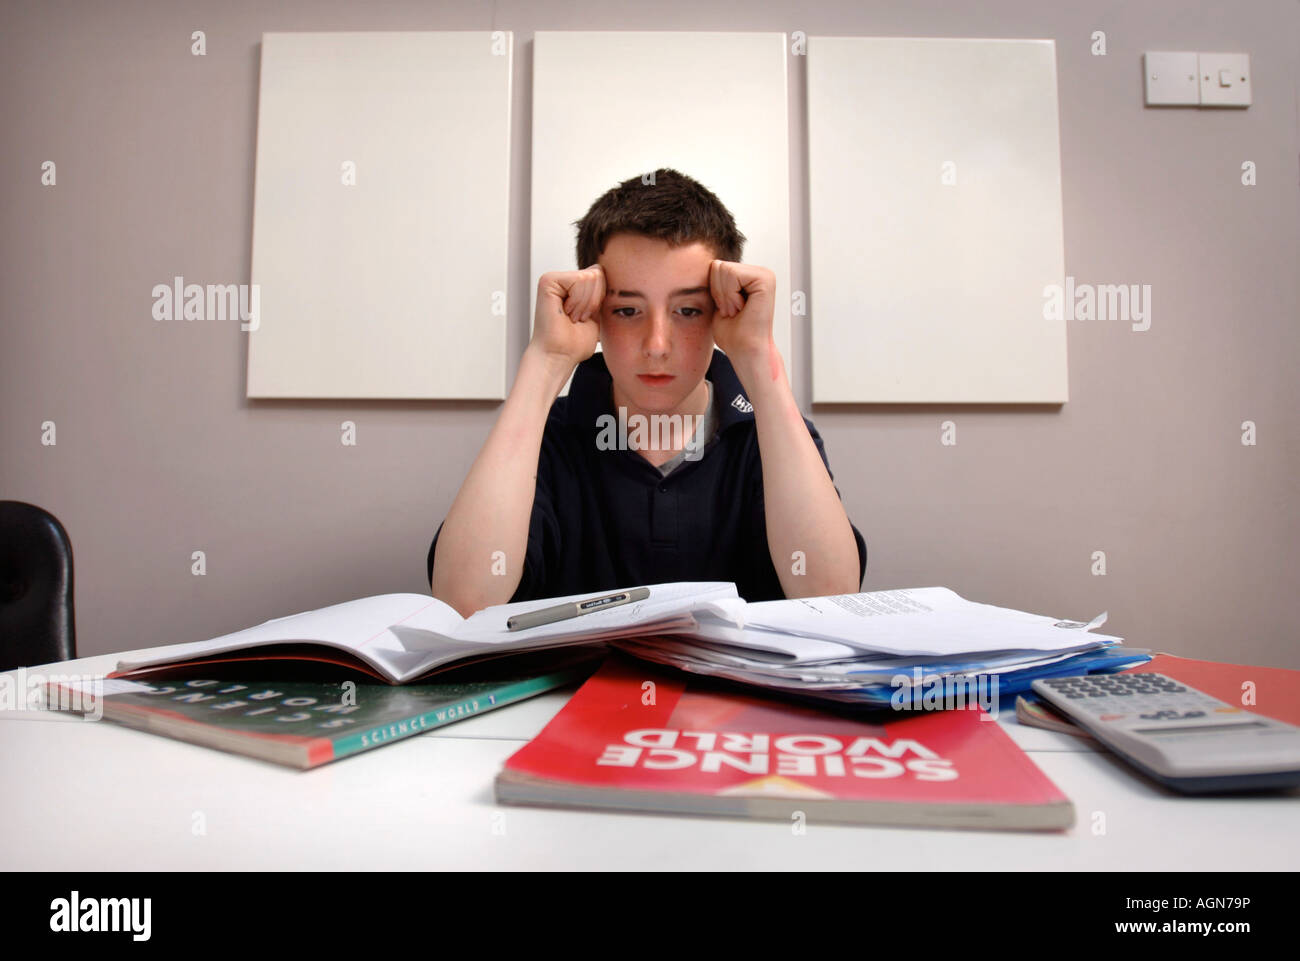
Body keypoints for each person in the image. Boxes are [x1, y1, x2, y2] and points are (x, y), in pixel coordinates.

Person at [428, 168, 866, 617]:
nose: (657, 346)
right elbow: (463, 602)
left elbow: (830, 595)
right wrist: (545, 361)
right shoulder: (545, 438)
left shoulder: (772, 434)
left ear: (722, 312)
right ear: (593, 312)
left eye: (689, 310)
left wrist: (756, 355)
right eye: (627, 310)